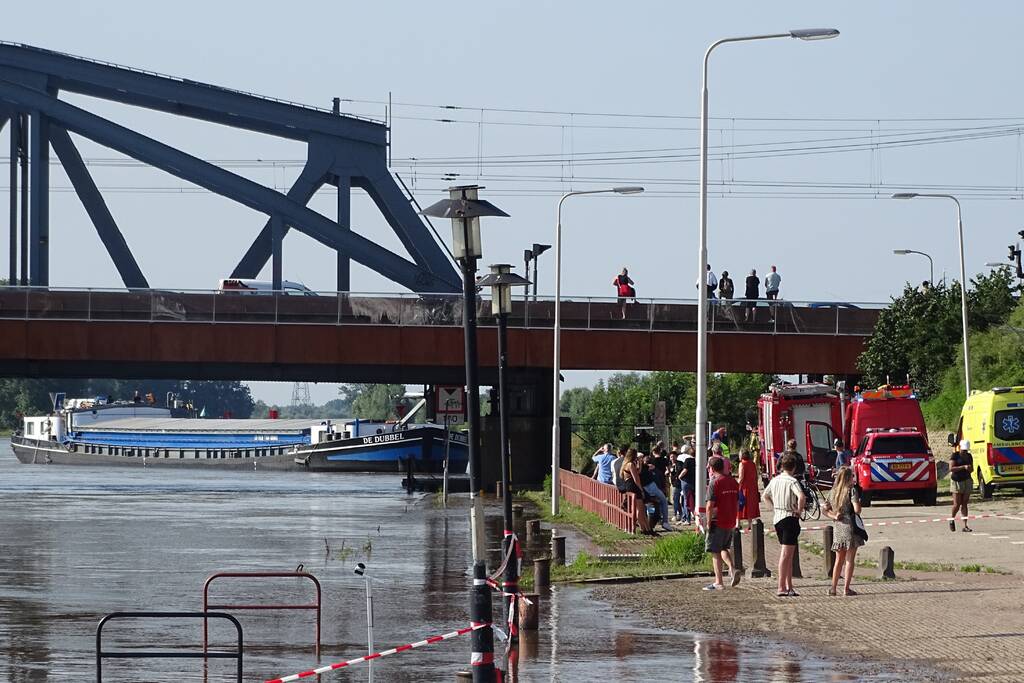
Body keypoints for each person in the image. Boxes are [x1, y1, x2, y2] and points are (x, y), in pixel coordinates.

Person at [762, 452, 806, 597]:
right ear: (793, 468)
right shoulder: (792, 481)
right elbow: (801, 497)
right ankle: (781, 586)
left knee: (788, 554)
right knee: (786, 554)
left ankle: (789, 586)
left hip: (778, 518)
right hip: (789, 517)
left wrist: (773, 508)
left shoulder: (774, 480)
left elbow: (765, 495)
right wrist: (799, 511)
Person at [824, 466, 864, 596]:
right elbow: (857, 509)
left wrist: (834, 516)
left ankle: (833, 588)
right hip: (850, 526)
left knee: (838, 560)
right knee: (849, 559)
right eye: (852, 476)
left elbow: (825, 510)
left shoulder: (832, 492)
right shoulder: (851, 491)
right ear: (848, 477)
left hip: (838, 527)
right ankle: (846, 589)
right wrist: (858, 504)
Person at [703, 456, 742, 590]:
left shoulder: (714, 483)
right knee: (724, 548)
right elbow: (737, 502)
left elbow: (709, 505)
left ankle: (718, 582)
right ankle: (732, 568)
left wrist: (708, 522)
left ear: (712, 468)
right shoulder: (733, 482)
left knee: (715, 550)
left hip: (717, 520)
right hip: (730, 519)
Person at [620, 449, 653, 535]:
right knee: (640, 509)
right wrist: (641, 489)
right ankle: (643, 528)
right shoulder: (630, 464)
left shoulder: (625, 464)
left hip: (628, 486)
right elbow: (636, 478)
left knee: (638, 508)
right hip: (634, 486)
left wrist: (640, 463)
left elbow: (637, 472)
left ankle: (645, 528)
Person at [640, 451, 673, 532]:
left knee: (646, 505)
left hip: (644, 488)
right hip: (651, 486)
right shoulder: (650, 468)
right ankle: (665, 522)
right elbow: (660, 479)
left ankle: (645, 523)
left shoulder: (637, 467)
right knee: (664, 501)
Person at [949, 439, 974, 532]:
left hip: (966, 480)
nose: (965, 452)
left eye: (966, 450)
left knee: (964, 503)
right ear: (960, 448)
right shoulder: (955, 455)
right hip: (956, 481)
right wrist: (963, 467)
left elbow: (972, 469)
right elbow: (951, 468)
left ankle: (965, 525)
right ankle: (952, 519)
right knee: (957, 504)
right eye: (963, 450)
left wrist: (969, 469)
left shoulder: (969, 456)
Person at [737, 449, 761, 527]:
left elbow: (741, 477)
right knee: (750, 506)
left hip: (744, 488)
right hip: (752, 487)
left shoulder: (742, 464)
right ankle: (750, 525)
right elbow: (756, 476)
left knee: (740, 505)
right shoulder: (753, 464)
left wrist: (736, 485)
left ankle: (738, 524)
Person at [679, 445, 696, 524]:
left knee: (686, 500)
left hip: (686, 481)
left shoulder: (688, 460)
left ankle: (687, 519)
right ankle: (694, 516)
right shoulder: (697, 460)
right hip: (694, 481)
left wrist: (680, 476)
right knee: (693, 499)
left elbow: (685, 470)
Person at [669, 449, 686, 522]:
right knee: (675, 499)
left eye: (673, 456)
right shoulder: (669, 464)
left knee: (675, 499)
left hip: (678, 483)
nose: (672, 458)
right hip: (672, 483)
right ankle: (679, 513)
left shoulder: (679, 463)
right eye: (671, 457)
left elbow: (679, 472)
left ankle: (676, 514)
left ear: (676, 457)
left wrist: (672, 471)